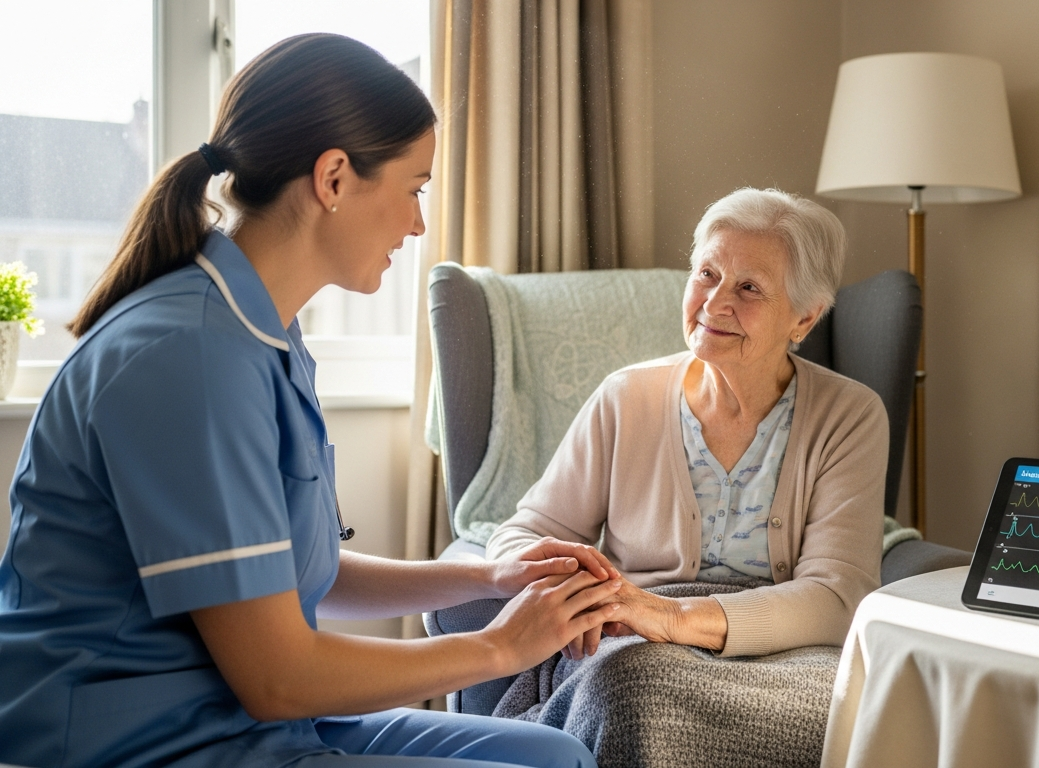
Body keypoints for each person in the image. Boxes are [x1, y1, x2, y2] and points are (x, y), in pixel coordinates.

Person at [0, 34, 624, 768]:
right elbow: (278, 676)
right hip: (147, 742)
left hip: (240, 718)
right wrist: (500, 646)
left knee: (553, 756)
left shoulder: (262, 332)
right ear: (333, 178)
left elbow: (294, 574)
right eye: (414, 189)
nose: (418, 224)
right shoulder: (189, 357)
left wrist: (489, 575)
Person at [487, 187, 886, 659]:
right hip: (635, 643)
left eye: (749, 288)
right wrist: (581, 592)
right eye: (707, 274)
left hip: (784, 655)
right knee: (630, 680)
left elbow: (837, 600)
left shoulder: (849, 417)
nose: (714, 304)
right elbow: (525, 535)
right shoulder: (625, 398)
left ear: (804, 318)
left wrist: (674, 618)